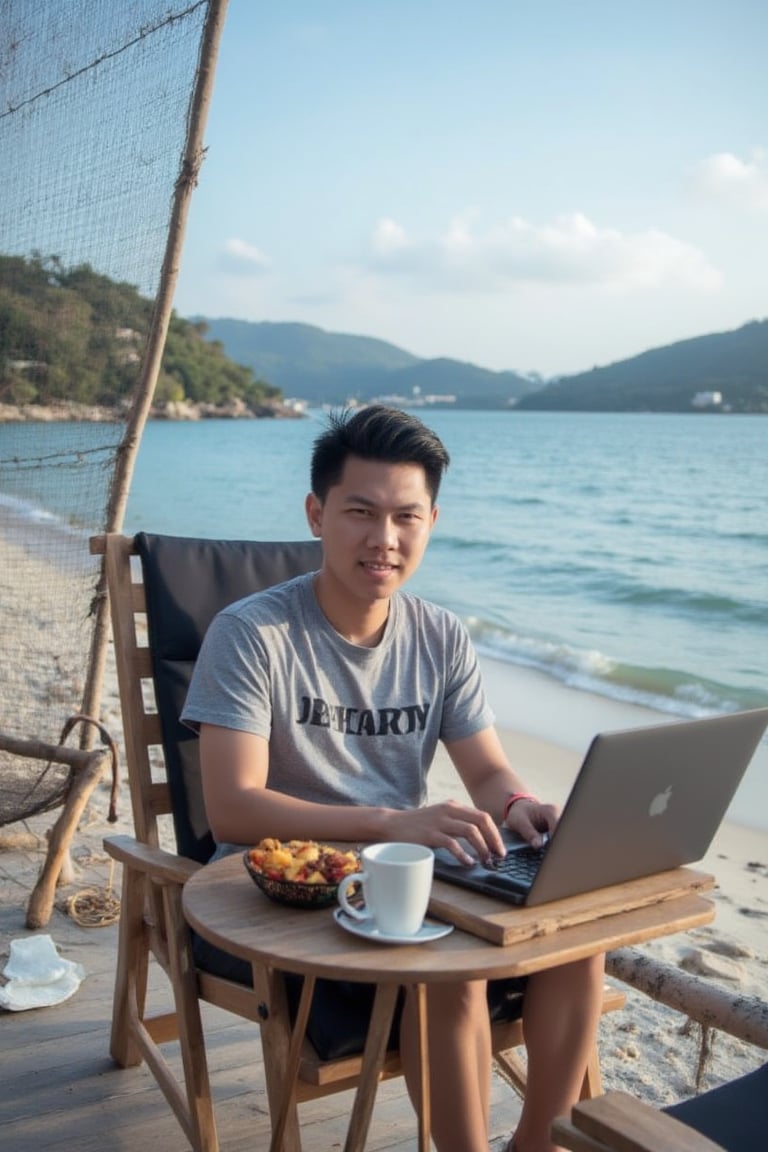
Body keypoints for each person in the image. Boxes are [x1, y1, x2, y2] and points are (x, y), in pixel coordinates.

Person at [181, 404, 605, 1152]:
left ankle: (539, 1143)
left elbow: (485, 768)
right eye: (360, 513)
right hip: (286, 890)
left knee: (576, 931)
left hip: (402, 876)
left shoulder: (439, 634)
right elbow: (234, 811)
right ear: (316, 515)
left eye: (407, 516)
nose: (385, 539)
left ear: (431, 521)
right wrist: (392, 822)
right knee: (450, 964)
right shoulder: (252, 634)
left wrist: (519, 806)